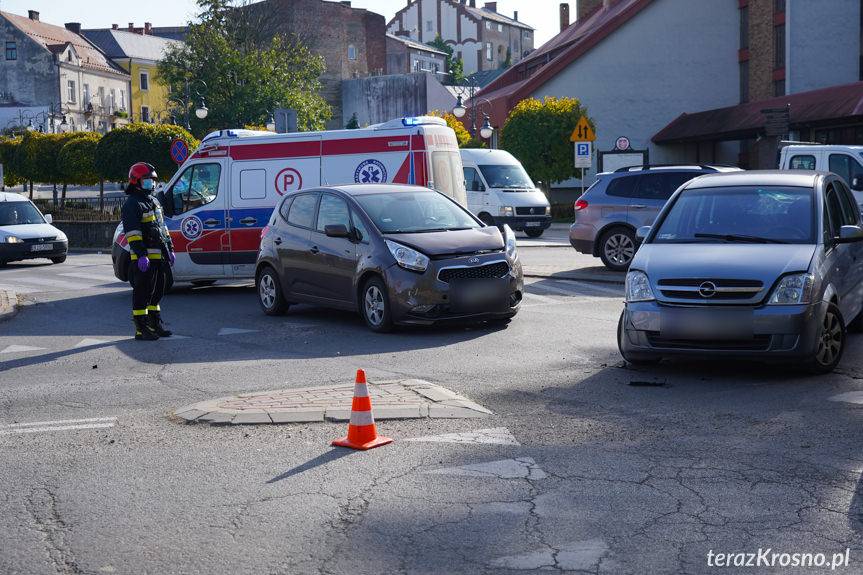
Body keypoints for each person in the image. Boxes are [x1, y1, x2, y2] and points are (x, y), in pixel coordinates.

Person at [121, 162, 175, 341]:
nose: (151, 184)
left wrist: (170, 248)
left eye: (152, 180)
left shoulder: (153, 201)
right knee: (142, 292)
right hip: (144, 258)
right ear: (136, 181)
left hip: (159, 255)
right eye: (147, 180)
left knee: (158, 291)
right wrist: (141, 255)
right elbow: (133, 233)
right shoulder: (132, 204)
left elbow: (162, 227)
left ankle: (154, 323)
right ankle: (141, 328)